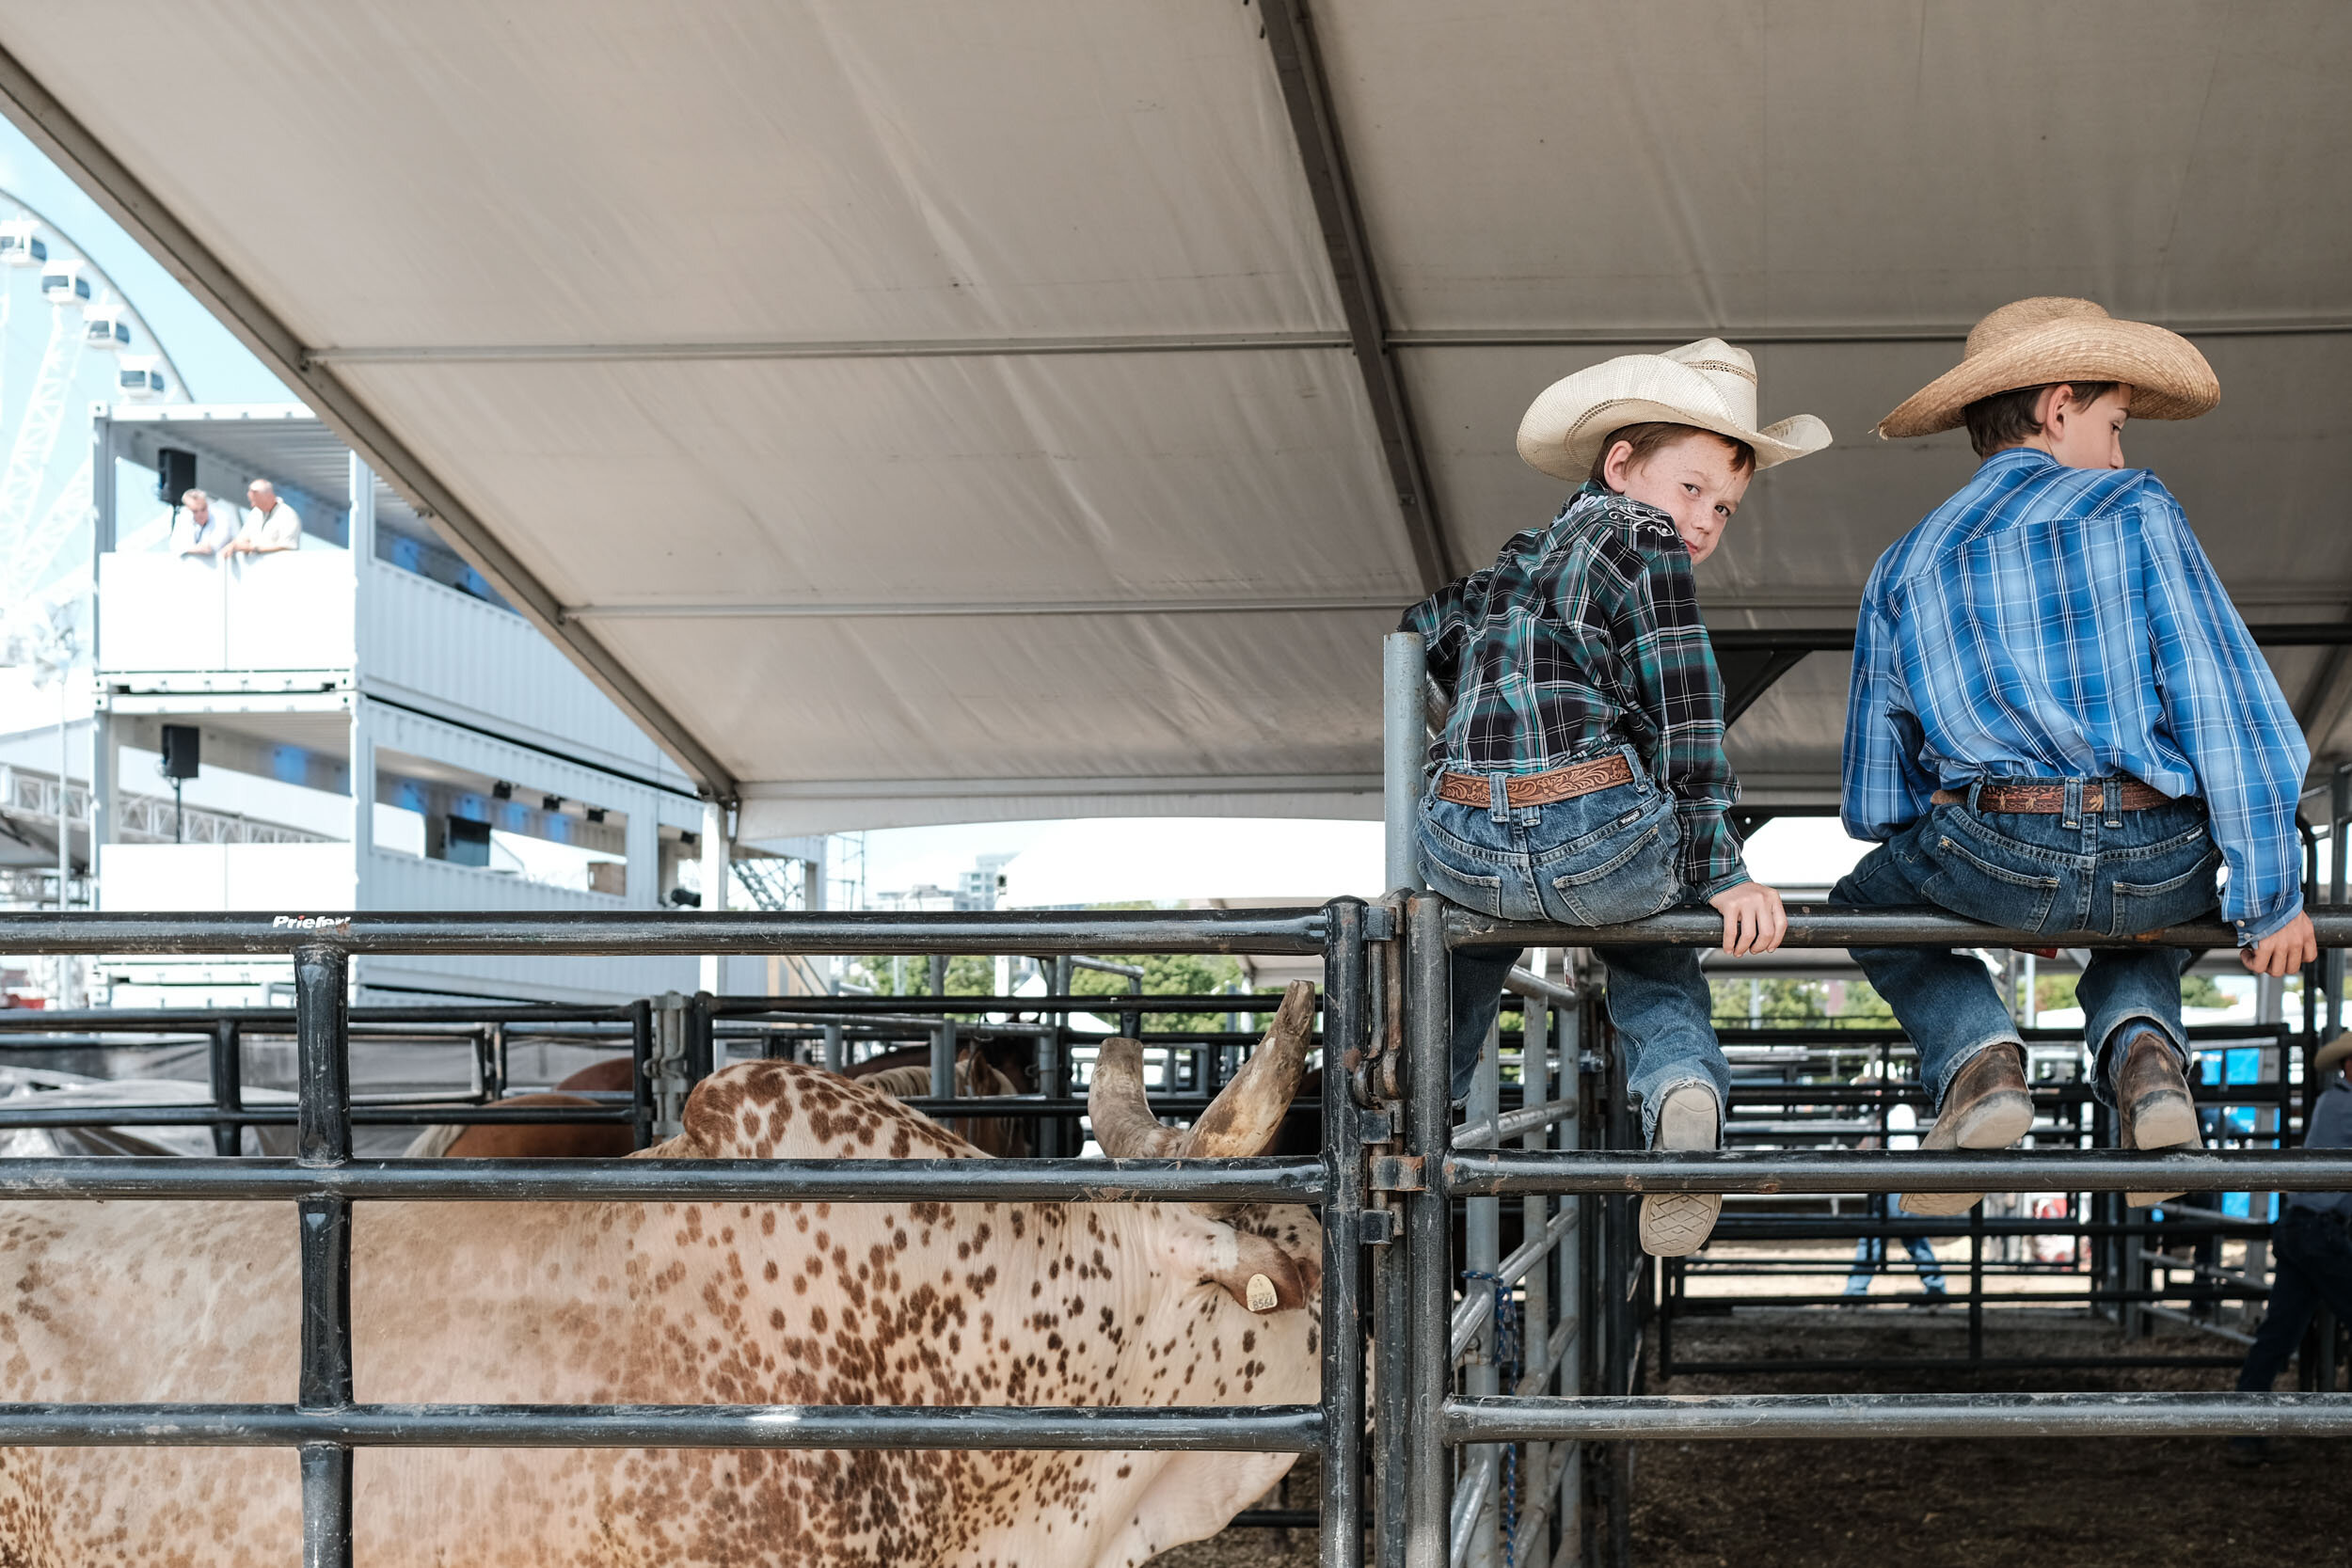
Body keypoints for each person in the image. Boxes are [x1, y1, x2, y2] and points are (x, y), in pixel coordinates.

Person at [1837, 298, 2316, 1218]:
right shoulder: (2134, 508)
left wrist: (1985, 882)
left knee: (1864, 899)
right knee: (2146, 908)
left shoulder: (1905, 561)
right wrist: (2270, 897)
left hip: (1999, 842)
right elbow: (2225, 706)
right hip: (2155, 846)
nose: (2120, 451)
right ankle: (2145, 1057)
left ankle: (1976, 1056)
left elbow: (1877, 798)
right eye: (2114, 424)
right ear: (2059, 408)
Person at [1400, 339, 1830, 1256]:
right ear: (1622, 464)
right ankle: (1680, 1092)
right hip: (1596, 831)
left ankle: (1401, 1129)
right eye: (1691, 488)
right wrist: (1720, 870)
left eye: (1723, 505)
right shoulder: (1647, 540)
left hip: (1466, 836)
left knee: (1458, 968)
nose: (1704, 520)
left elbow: (1420, 627)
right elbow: (1689, 711)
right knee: (1655, 956)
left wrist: (1496, 692)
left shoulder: (1517, 564)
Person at [2228, 1032, 2352, 1464]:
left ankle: (2245, 1434)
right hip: (2321, 1232)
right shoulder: (2344, 1102)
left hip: (2305, 1229)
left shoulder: (2333, 1102)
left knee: (2278, 1334)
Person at [1842, 1079, 1949, 1301]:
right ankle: (1935, 1285)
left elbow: (1877, 1143)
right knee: (1908, 1234)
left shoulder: (1896, 1111)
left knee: (1877, 1235)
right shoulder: (1894, 1110)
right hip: (1896, 1179)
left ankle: (1856, 1289)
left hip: (1896, 1179)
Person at [221, 479, 301, 556]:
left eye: (255, 501)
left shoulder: (288, 515)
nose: (253, 505)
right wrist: (232, 545)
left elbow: (287, 547)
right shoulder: (255, 513)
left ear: (268, 496)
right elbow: (242, 538)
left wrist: (253, 548)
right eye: (252, 501)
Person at [166, 488, 232, 558]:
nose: (200, 514)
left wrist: (188, 548)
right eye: (195, 511)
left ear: (207, 505)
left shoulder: (221, 517)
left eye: (203, 509)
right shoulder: (184, 517)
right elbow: (175, 546)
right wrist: (191, 548)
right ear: (188, 510)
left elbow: (210, 547)